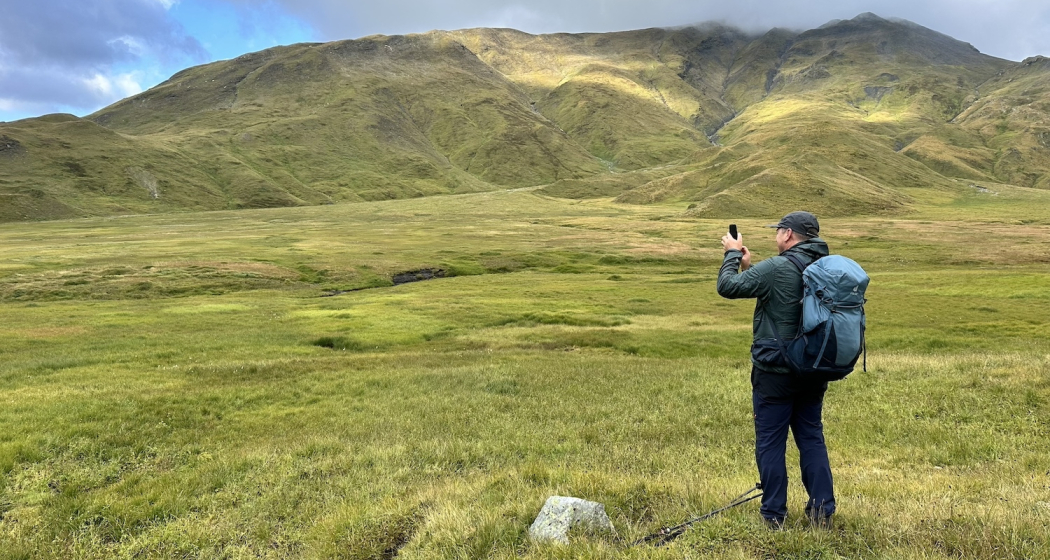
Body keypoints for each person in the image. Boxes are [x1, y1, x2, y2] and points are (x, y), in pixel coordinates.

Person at [716, 211, 835, 530]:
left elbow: (727, 287)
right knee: (811, 437)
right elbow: (787, 300)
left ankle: (774, 516)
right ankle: (822, 512)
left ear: (788, 235)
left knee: (770, 440)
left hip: (775, 371)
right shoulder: (830, 268)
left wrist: (731, 254)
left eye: (778, 231)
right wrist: (750, 268)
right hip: (814, 367)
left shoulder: (778, 266)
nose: (776, 236)